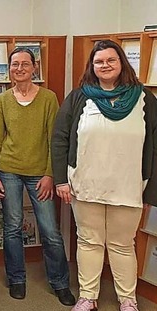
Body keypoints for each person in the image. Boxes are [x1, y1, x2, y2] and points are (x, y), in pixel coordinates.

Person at [52, 40, 157, 311]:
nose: (105, 65)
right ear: (92, 66)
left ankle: (128, 300)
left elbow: (156, 145)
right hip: (85, 185)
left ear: (122, 62)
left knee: (122, 245)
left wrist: (151, 190)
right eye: (99, 61)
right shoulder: (79, 97)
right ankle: (88, 297)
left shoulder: (144, 98)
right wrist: (61, 179)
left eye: (111, 60)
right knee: (89, 241)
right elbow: (60, 139)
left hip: (129, 185)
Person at [0, 47, 75, 306]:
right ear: (10, 68)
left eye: (25, 64)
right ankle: (16, 279)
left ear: (35, 68)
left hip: (40, 174)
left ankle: (60, 282)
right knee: (12, 228)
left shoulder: (49, 98)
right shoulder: (2, 100)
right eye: (15, 64)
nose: (20, 69)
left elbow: (55, 140)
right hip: (9, 170)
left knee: (50, 230)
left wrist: (50, 174)